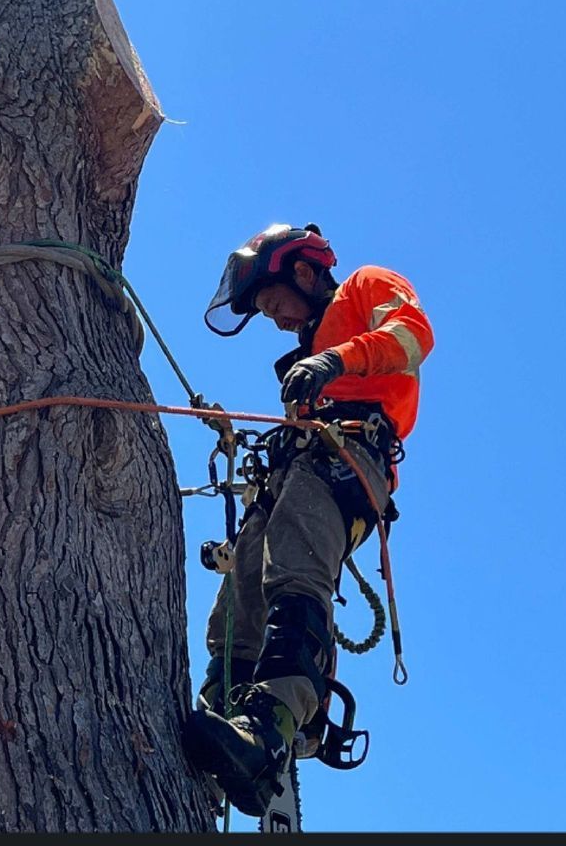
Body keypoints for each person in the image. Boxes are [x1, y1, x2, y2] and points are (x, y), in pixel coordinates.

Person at [183, 223, 434, 815]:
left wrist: (333, 361)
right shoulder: (306, 356)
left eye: (273, 305)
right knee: (240, 592)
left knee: (294, 567)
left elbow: (413, 334)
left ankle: (274, 717)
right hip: (297, 466)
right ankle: (226, 715)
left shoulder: (366, 287)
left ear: (302, 272)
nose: (276, 321)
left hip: (351, 456)